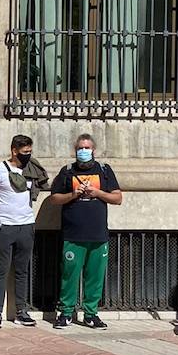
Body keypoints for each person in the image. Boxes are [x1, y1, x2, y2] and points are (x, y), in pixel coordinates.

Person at [47, 134, 123, 329]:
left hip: (98, 235)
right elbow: (54, 199)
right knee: (69, 276)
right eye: (80, 148)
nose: (84, 151)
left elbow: (117, 198)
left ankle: (91, 314)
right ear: (75, 151)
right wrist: (73, 194)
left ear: (93, 150)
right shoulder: (67, 171)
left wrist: (97, 193)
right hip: (73, 235)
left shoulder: (104, 170)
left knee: (95, 277)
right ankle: (66, 313)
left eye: (87, 148)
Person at [0, 134, 46, 328]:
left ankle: (21, 311)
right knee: (2, 270)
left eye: (30, 152)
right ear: (14, 150)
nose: (28, 155)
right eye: (24, 152)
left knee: (22, 270)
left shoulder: (31, 169)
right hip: (6, 226)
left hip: (27, 224)